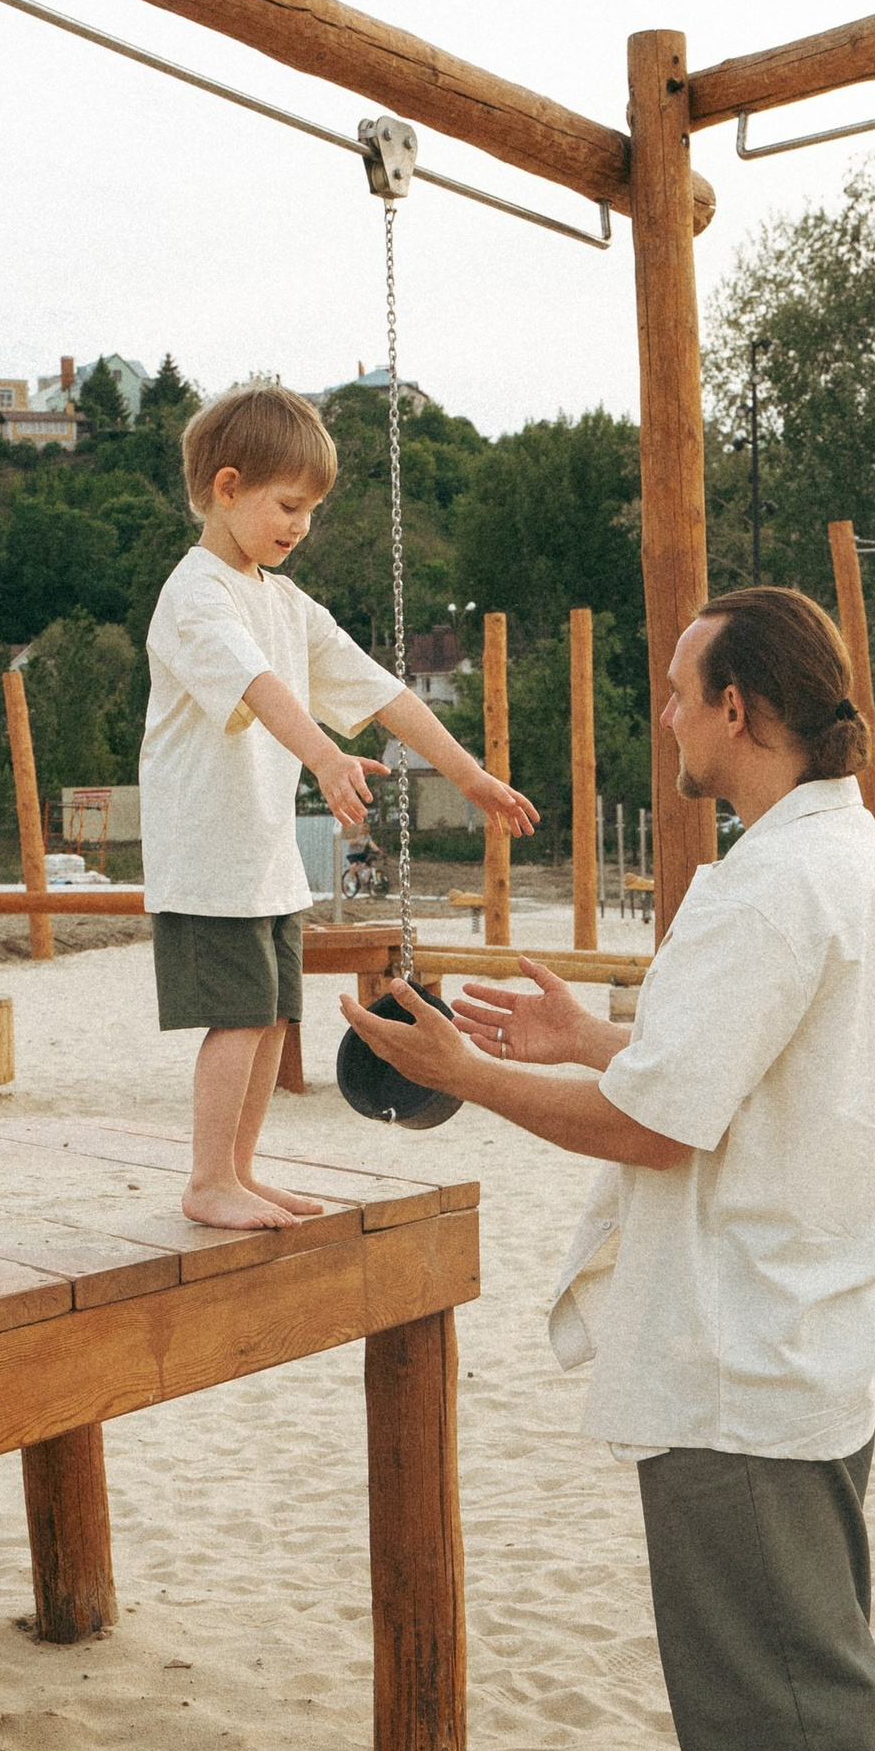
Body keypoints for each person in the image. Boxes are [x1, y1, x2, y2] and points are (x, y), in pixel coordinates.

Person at [340, 585, 875, 1751]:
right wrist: (589, 1036)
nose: (664, 713)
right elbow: (729, 1067)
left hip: (756, 1330)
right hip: (801, 1308)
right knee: (741, 1663)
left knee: (786, 1670)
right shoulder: (845, 860)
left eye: (679, 691)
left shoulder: (775, 883)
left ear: (739, 708)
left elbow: (659, 1128)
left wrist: (469, 1078)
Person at [143, 383, 536, 1231]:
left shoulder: (285, 602)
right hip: (206, 854)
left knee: (272, 1020)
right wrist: (323, 756)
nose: (302, 526)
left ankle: (239, 1173)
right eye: (289, 506)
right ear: (227, 487)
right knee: (238, 1019)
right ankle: (208, 1179)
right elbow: (261, 687)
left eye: (312, 511)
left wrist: (468, 774)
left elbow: (382, 690)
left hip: (263, 859)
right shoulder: (197, 594)